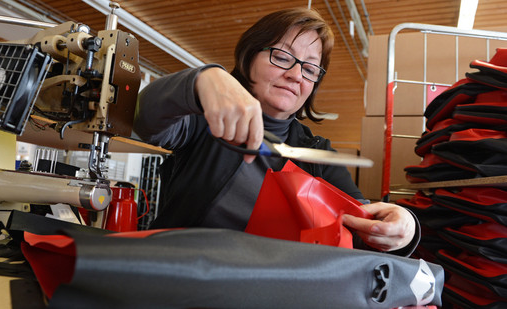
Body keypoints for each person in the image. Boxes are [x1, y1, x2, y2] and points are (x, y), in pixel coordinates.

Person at [134, 7, 419, 255]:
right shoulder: (203, 121)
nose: (296, 75)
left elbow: (363, 223)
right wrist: (202, 79)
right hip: (179, 280)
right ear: (248, 58)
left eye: (310, 68)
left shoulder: (316, 153)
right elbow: (143, 118)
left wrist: (403, 227)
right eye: (282, 57)